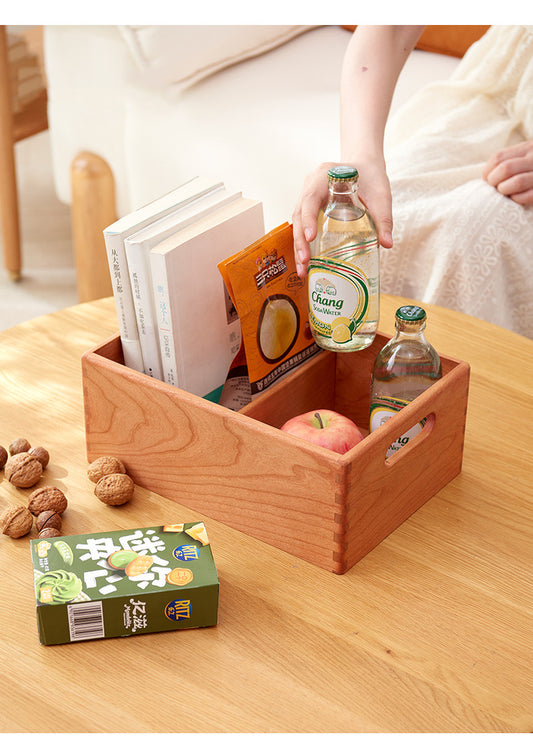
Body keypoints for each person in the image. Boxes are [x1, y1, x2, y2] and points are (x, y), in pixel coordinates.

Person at [293, 25, 533, 339]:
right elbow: (392, 25)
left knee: (471, 238)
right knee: (376, 223)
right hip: (502, 92)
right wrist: (361, 159)